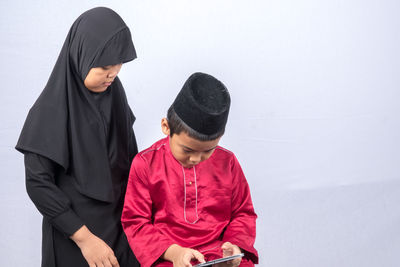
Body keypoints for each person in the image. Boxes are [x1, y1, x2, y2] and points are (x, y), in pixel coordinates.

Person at [16, 7, 140, 267]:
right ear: (80, 56)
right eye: (104, 66)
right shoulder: (49, 110)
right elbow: (37, 183)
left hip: (120, 229)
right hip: (73, 236)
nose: (113, 73)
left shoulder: (115, 94)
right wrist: (85, 240)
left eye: (118, 64)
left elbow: (131, 160)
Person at [121, 72, 258, 267]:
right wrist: (174, 253)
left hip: (219, 256)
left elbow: (243, 213)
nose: (195, 159)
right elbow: (136, 222)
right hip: (169, 256)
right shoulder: (145, 163)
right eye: (187, 150)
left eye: (207, 151)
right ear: (166, 127)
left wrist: (235, 247)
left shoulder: (228, 162)